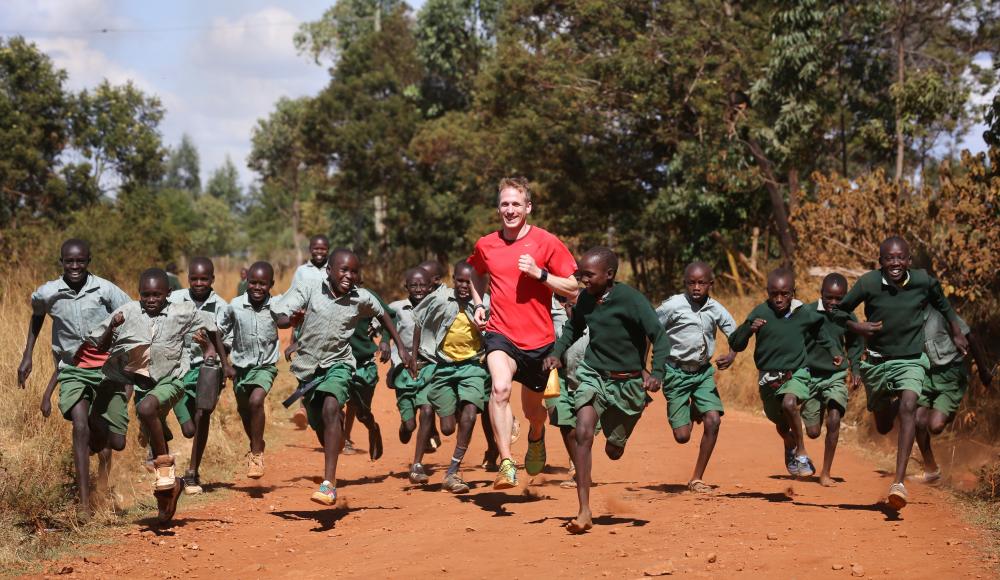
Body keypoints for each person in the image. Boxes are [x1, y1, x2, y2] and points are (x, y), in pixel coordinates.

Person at [833, 236, 968, 509]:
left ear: (908, 259)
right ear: (880, 261)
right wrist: (858, 328)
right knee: (883, 425)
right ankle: (889, 405)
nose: (895, 263)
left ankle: (898, 483)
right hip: (877, 362)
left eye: (900, 258)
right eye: (889, 258)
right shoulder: (868, 283)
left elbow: (943, 304)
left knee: (909, 406)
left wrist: (956, 331)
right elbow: (838, 312)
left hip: (911, 359)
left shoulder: (923, 281)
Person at [273, 248, 412, 505]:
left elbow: (383, 314)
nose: (348, 275)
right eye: (343, 269)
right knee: (323, 428)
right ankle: (333, 448)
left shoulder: (361, 297)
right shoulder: (310, 288)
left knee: (331, 406)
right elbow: (281, 318)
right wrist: (291, 319)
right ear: (329, 271)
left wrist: (398, 346)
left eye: (354, 271)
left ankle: (329, 484)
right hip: (308, 368)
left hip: (339, 363)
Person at [544, 247, 669, 533]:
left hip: (628, 384)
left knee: (613, 450)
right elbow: (572, 329)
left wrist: (656, 373)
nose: (582, 280)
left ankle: (618, 438)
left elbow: (659, 337)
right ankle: (584, 510)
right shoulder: (586, 299)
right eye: (580, 274)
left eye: (588, 275)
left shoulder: (632, 300)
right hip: (594, 374)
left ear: (609, 274)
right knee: (583, 430)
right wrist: (556, 353)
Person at [89, 268, 226, 524]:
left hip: (171, 381)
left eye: (156, 294)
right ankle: (168, 494)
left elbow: (212, 326)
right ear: (138, 293)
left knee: (146, 410)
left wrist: (215, 354)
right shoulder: (128, 312)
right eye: (145, 294)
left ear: (168, 294)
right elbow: (101, 346)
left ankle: (165, 468)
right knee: (154, 436)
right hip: (142, 386)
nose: (151, 299)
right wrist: (113, 327)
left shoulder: (180, 311)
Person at [468, 177, 578, 489]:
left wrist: (540, 274)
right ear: (498, 207)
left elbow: (572, 286)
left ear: (528, 207)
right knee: (500, 390)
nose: (510, 209)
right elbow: (475, 273)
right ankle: (506, 463)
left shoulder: (546, 242)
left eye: (516, 203)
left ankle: (536, 435)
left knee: (535, 412)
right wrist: (479, 304)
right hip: (500, 333)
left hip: (539, 341)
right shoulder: (486, 244)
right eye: (505, 204)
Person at [18, 239, 131, 518]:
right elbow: (37, 316)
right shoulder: (49, 292)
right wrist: (27, 355)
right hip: (71, 368)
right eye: (69, 261)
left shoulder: (104, 289)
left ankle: (102, 488)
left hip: (105, 368)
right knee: (79, 425)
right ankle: (83, 505)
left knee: (113, 441)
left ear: (88, 261)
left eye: (80, 261)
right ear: (62, 262)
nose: (75, 266)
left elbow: (131, 312)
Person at [728, 268, 842, 481]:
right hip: (767, 378)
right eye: (774, 294)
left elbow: (819, 332)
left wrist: (834, 351)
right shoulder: (760, 312)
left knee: (789, 404)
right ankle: (789, 443)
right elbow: (736, 342)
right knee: (780, 424)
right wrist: (749, 329)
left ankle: (801, 452)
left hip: (795, 373)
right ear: (767, 292)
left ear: (793, 292)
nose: (779, 299)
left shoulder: (802, 312)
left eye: (785, 294)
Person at [655, 261, 737, 493]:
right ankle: (692, 409)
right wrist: (647, 368)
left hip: (702, 373)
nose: (696, 287)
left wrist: (731, 355)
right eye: (691, 283)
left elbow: (736, 334)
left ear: (710, 284)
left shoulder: (716, 308)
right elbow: (650, 329)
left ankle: (697, 478)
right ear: (685, 284)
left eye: (702, 283)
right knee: (682, 436)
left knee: (713, 420)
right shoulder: (673, 306)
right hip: (675, 373)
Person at [412, 260, 492, 493]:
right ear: (452, 278)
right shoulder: (440, 298)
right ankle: (454, 405)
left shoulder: (485, 303)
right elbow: (418, 321)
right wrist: (414, 354)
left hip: (473, 366)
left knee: (469, 415)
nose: (464, 286)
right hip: (444, 366)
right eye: (459, 281)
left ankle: (453, 470)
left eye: (469, 282)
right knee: (447, 428)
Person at [168, 257, 233, 495]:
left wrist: (218, 359)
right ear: (188, 279)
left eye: (204, 278)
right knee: (188, 428)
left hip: (208, 368)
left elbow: (227, 344)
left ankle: (193, 472)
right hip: (177, 368)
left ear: (212, 279)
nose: (198, 283)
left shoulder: (222, 307)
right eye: (194, 278)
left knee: (203, 413)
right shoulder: (174, 300)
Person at [911, 306, 992, 484]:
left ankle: (947, 411)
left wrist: (983, 370)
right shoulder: (908, 314)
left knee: (935, 426)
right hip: (927, 374)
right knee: (918, 420)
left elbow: (970, 337)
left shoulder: (942, 314)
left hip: (951, 375)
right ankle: (931, 470)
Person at [800, 273, 863, 487]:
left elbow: (854, 346)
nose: (834, 303)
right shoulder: (807, 312)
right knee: (813, 432)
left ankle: (825, 473)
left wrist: (855, 368)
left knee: (834, 418)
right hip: (809, 375)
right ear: (821, 294)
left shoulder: (849, 317)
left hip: (835, 375)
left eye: (839, 299)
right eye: (829, 298)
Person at [220, 261, 280, 478]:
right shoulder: (234, 305)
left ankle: (255, 455)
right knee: (245, 412)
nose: (257, 287)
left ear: (271, 284)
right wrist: (225, 364)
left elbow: (285, 320)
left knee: (256, 401)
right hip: (240, 369)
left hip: (265, 366)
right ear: (246, 281)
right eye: (252, 282)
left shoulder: (277, 305)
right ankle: (257, 442)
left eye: (262, 284)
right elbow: (220, 333)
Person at [287, 235, 331, 429]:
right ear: (310, 249)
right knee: (305, 367)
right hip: (305, 326)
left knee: (325, 367)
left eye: (323, 249)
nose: (319, 252)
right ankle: (302, 408)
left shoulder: (333, 269)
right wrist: (292, 335)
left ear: (328, 249)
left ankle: (320, 406)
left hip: (329, 326)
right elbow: (295, 297)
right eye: (316, 248)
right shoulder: (302, 271)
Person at [386, 268, 434, 446]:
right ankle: (405, 425)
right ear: (406, 286)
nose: (419, 289)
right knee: (410, 424)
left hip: (427, 364)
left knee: (427, 408)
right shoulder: (396, 307)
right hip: (403, 367)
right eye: (414, 285)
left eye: (423, 285)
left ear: (430, 287)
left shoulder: (435, 307)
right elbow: (384, 324)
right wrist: (384, 341)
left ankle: (429, 432)